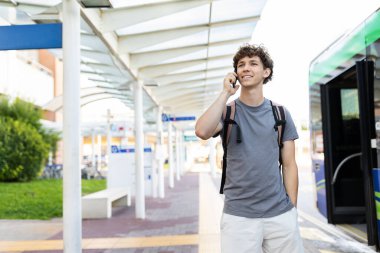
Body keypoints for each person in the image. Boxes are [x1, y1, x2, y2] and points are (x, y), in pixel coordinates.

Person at [195, 44, 303, 253]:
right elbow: (202, 130)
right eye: (241, 65)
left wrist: (292, 210)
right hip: (238, 217)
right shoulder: (227, 113)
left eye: (253, 63)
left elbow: (289, 165)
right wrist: (225, 93)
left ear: (266, 72)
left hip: (280, 215)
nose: (246, 68)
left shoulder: (280, 114)